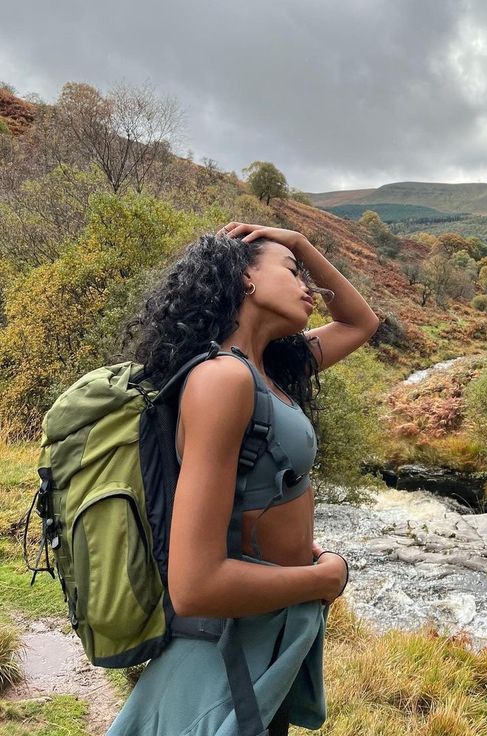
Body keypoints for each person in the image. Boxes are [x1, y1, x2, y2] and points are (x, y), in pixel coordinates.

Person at [107, 222, 379, 735]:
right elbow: (195, 586)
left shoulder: (269, 370)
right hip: (224, 649)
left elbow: (360, 322)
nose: (309, 289)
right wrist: (323, 579)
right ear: (245, 278)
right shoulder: (223, 379)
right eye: (293, 273)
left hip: (261, 637)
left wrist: (298, 242)